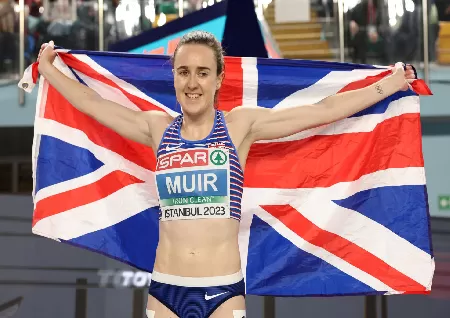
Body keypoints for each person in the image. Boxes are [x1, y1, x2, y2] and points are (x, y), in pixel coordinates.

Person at [37, 31, 416, 318]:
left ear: (218, 79)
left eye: (203, 73)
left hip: (222, 292)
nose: (192, 83)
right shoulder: (156, 129)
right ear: (174, 77)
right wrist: (49, 71)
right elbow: (90, 102)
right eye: (184, 72)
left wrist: (390, 84)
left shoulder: (239, 128)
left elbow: (322, 110)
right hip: (165, 287)